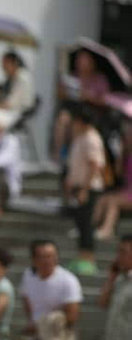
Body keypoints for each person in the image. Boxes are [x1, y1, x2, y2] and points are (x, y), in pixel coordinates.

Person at [64, 106, 106, 275]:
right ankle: (82, 255)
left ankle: (88, 258)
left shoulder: (91, 139)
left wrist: (85, 190)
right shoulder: (80, 138)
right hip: (78, 186)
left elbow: (94, 165)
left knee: (86, 223)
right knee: (80, 223)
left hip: (88, 187)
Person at [52, 49, 111, 164]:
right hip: (74, 110)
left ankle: (75, 158)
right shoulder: (73, 77)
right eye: (79, 61)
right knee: (63, 119)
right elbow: (61, 96)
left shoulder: (100, 79)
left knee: (77, 126)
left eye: (84, 61)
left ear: (91, 63)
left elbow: (105, 101)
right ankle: (58, 155)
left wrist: (89, 96)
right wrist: (63, 91)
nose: (81, 64)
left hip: (92, 114)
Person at [94, 124, 132, 240]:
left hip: (129, 194)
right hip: (126, 191)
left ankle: (107, 229)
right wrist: (120, 155)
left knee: (113, 202)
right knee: (103, 199)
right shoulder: (126, 155)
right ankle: (91, 226)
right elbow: (119, 173)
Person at [0, 51, 35, 117]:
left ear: (14, 63)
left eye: (5, 65)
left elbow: (11, 103)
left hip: (18, 113)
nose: (4, 68)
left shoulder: (22, 78)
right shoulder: (16, 78)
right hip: (15, 111)